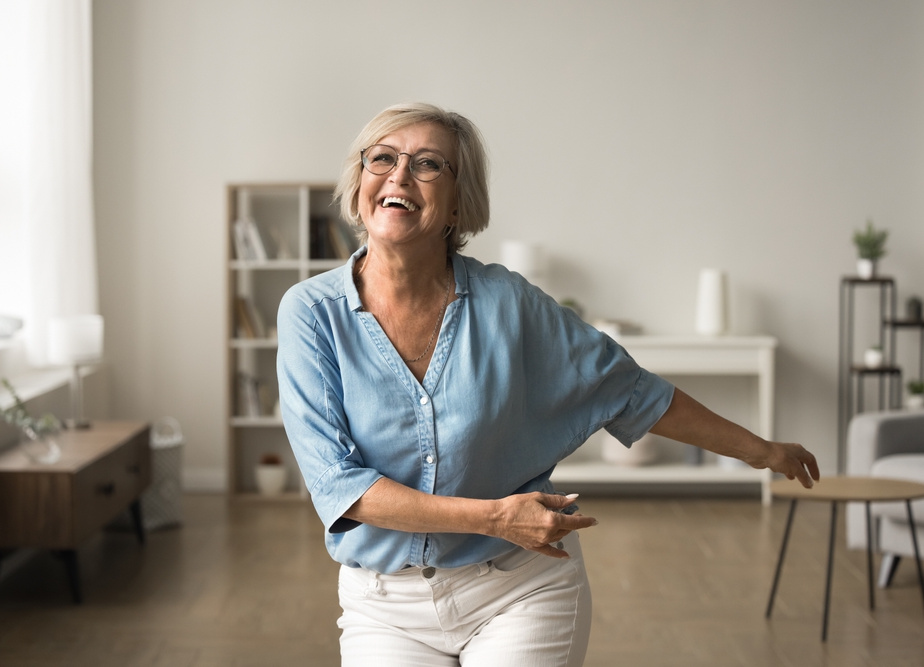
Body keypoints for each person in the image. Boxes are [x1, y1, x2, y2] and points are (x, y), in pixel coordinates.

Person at [276, 102, 819, 667]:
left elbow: (630, 391)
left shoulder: (510, 303)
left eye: (428, 164)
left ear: (459, 202)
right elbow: (340, 486)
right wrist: (495, 517)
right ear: (360, 180)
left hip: (518, 589)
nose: (399, 176)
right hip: (383, 607)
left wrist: (763, 451)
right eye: (382, 158)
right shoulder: (311, 314)